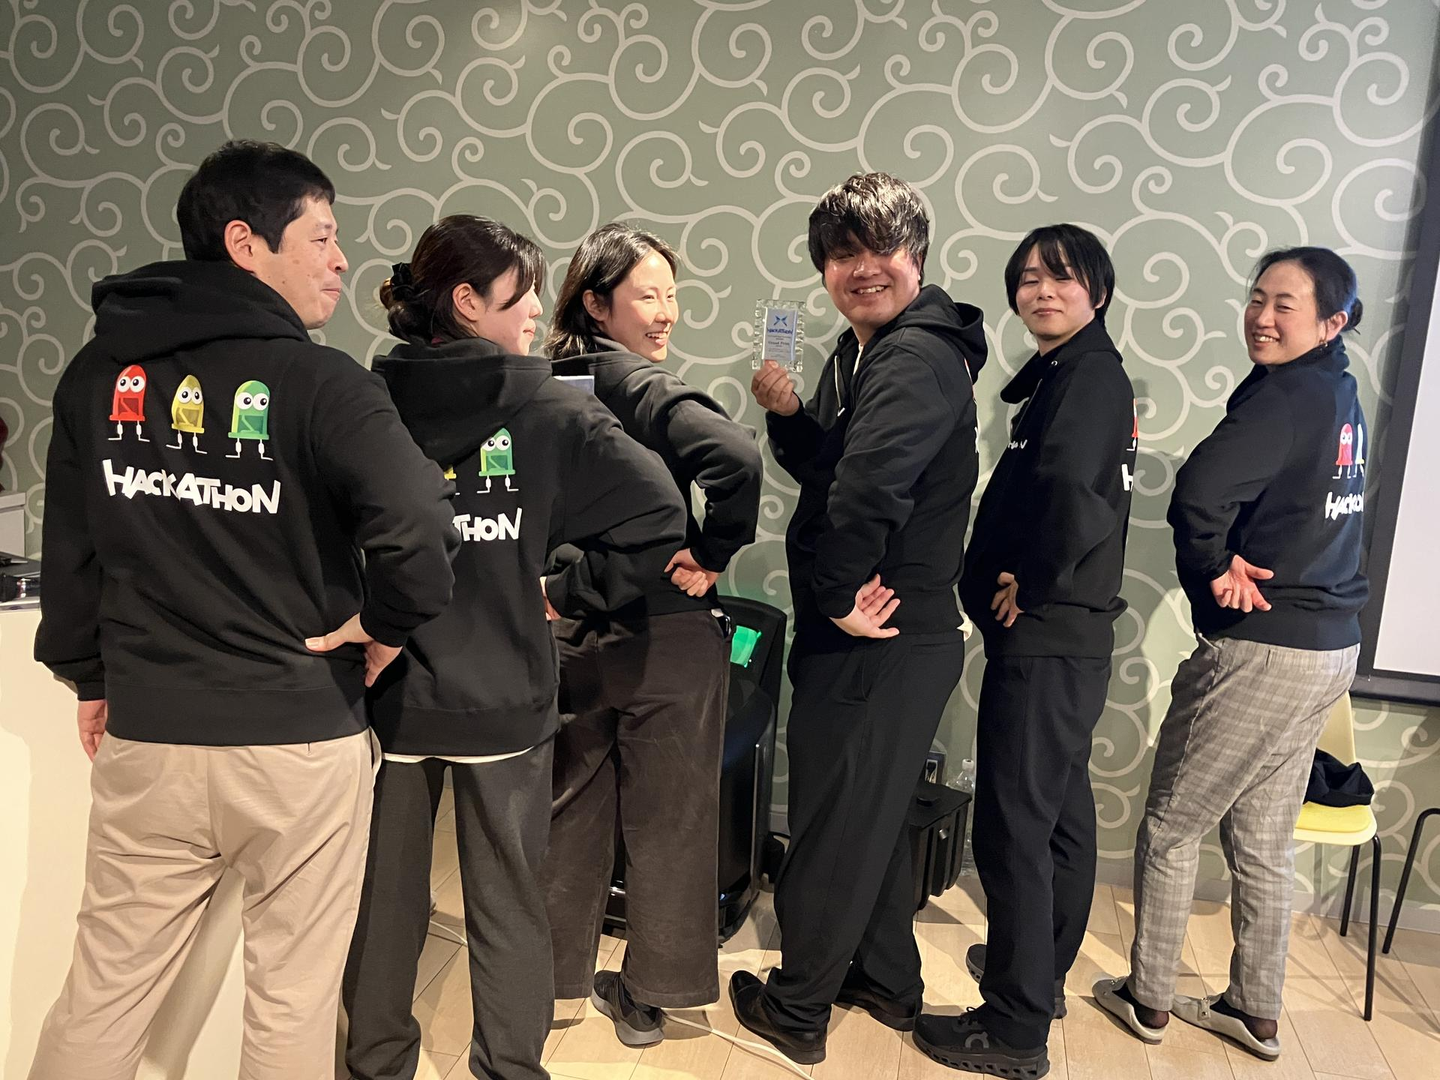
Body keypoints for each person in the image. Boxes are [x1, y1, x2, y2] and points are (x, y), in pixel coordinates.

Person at [29, 140, 457, 1079]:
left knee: (103, 994)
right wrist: (385, 625)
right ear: (244, 242)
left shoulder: (95, 375)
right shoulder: (325, 382)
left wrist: (88, 676)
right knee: (292, 1003)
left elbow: (73, 550)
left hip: (151, 735)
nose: (341, 259)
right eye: (322, 237)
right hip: (298, 743)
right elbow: (425, 526)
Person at [340, 215, 687, 1080]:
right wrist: (566, 587)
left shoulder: (365, 402)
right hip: (506, 693)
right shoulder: (553, 409)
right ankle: (509, 1069)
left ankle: (375, 1065)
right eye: (523, 292)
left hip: (388, 687)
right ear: (467, 301)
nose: (537, 308)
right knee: (509, 902)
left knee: (383, 900)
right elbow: (658, 512)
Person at [730, 172, 986, 1065]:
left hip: (876, 632)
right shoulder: (880, 351)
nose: (861, 268)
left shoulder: (910, 356)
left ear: (917, 253)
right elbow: (841, 466)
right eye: (841, 254)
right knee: (867, 813)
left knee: (837, 821)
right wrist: (792, 418)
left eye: (881, 248)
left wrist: (838, 595)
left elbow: (870, 490)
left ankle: (799, 1008)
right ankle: (884, 978)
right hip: (892, 632)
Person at [1092, 247, 1367, 1062]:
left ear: (1332, 322)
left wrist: (1213, 570)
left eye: (1285, 305)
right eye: (1257, 298)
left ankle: (1147, 997)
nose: (1262, 317)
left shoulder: (1287, 397)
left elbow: (1198, 492)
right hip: (1330, 650)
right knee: (1262, 839)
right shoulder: (1338, 393)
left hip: (1267, 650)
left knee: (1172, 827)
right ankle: (1254, 1010)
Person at [913, 225, 1136, 1078]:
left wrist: (1029, 582)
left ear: (1098, 292)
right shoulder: (1071, 375)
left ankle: (1012, 1028)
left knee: (1013, 829)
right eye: (1029, 278)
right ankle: (1035, 979)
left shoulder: (1087, 378)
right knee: (1060, 817)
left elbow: (1073, 496)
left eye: (1062, 277)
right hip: (1069, 641)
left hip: (1046, 637)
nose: (1042, 291)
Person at [541, 222, 763, 1046]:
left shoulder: (549, 383)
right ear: (597, 303)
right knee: (671, 821)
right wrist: (711, 552)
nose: (666, 312)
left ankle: (546, 983)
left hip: (573, 628)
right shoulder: (634, 380)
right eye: (648, 295)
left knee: (568, 808)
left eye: (672, 294)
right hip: (666, 635)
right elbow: (737, 458)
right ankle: (648, 998)